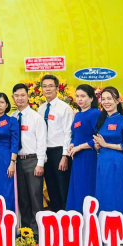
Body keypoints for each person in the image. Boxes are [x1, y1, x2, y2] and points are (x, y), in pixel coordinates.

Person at [92, 87, 123, 216]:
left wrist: (106, 145)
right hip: (102, 160)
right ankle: (103, 222)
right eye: (103, 99)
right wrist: (98, 146)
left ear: (117, 100)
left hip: (117, 161)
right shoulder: (101, 120)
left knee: (117, 191)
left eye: (109, 99)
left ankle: (120, 221)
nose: (106, 102)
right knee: (103, 192)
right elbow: (100, 143)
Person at [37, 75, 74, 212]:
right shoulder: (41, 109)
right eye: (45, 86)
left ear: (57, 88)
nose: (48, 89)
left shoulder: (64, 108)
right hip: (46, 152)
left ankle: (66, 215)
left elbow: (68, 133)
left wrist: (65, 156)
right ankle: (56, 214)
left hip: (60, 151)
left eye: (51, 86)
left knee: (63, 186)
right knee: (51, 186)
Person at [12, 83, 47, 229]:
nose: (19, 98)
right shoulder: (12, 117)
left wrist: (40, 164)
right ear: (13, 98)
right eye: (16, 96)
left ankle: (37, 231)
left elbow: (42, 142)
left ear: (28, 96)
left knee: (35, 196)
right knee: (22, 197)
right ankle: (26, 230)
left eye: (22, 95)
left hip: (33, 161)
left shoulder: (36, 117)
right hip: (17, 162)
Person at [67, 84, 100, 211]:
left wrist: (80, 147)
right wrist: (72, 144)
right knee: (77, 186)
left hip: (89, 156)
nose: (79, 99)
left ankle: (88, 215)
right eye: (77, 96)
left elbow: (98, 138)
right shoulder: (78, 115)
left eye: (83, 96)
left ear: (91, 98)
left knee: (86, 186)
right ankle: (76, 215)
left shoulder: (95, 113)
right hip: (77, 157)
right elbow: (75, 134)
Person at [0, 92, 20, 211]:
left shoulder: (12, 121)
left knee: (7, 188)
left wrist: (12, 162)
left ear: (7, 105)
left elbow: (15, 143)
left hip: (6, 158)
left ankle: (8, 216)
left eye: (1, 102)